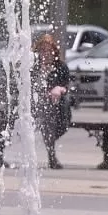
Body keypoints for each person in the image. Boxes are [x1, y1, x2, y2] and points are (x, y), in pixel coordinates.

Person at [32, 34, 70, 169]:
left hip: (58, 105)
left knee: (54, 122)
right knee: (47, 122)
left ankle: (51, 151)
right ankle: (51, 156)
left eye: (49, 50)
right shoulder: (33, 67)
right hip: (38, 105)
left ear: (54, 51)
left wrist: (59, 89)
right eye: (42, 50)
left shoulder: (60, 66)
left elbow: (66, 85)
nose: (45, 53)